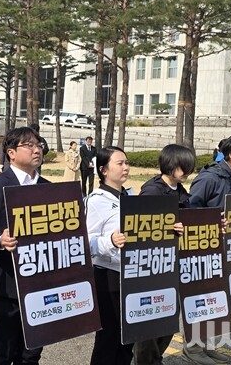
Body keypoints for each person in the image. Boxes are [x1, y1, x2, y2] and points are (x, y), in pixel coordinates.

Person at [0, 127, 48, 364]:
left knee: (31, 352)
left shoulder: (48, 187)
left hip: (40, 281)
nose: (37, 150)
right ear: (11, 153)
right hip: (7, 281)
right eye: (30, 145)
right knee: (3, 351)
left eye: (39, 145)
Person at [185, 134, 231, 365]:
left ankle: (206, 345)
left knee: (217, 299)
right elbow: (189, 211)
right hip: (203, 248)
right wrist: (213, 223)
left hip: (226, 248)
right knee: (199, 298)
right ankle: (192, 347)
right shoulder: (209, 178)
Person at [133, 144, 194, 365]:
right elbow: (139, 227)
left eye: (189, 167)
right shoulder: (152, 191)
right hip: (151, 266)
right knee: (150, 320)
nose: (187, 172)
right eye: (183, 167)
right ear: (170, 165)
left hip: (173, 264)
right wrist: (168, 228)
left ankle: (154, 358)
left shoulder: (181, 191)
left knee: (168, 317)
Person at [86, 146, 132, 365]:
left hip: (132, 275)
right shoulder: (96, 201)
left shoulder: (129, 196)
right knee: (108, 339)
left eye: (127, 163)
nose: (126, 167)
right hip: (108, 277)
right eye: (120, 163)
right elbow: (85, 242)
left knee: (127, 339)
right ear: (103, 170)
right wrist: (110, 242)